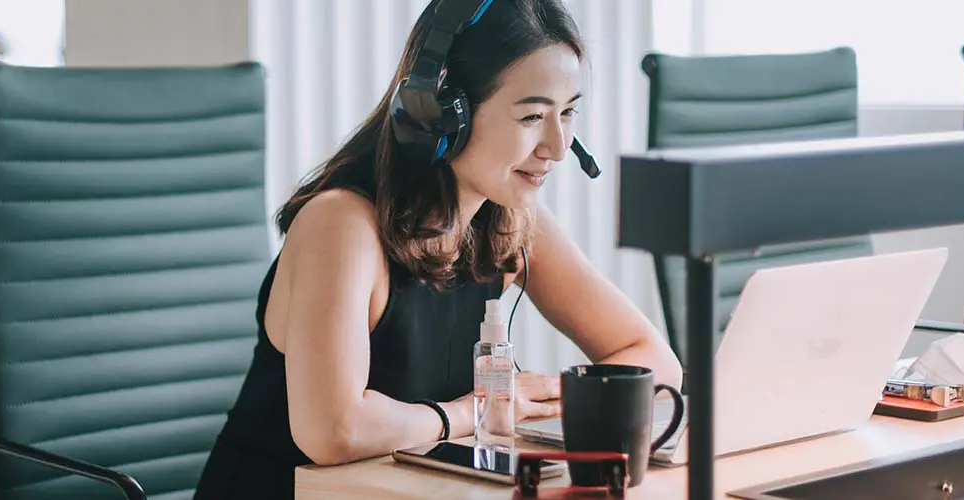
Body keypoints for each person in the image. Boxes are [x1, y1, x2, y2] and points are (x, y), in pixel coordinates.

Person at [192, 0, 682, 498]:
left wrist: (548, 400)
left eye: (569, 112)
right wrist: (478, 409)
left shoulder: (510, 220)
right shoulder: (340, 223)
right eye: (533, 115)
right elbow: (333, 431)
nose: (557, 147)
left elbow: (651, 359)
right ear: (445, 114)